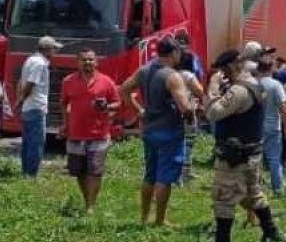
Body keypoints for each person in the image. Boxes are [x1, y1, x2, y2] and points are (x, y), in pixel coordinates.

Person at [195, 49, 284, 242]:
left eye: (223, 70)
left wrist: (213, 87)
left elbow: (213, 113)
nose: (222, 74)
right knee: (252, 195)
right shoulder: (253, 84)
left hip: (235, 157)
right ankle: (271, 232)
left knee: (223, 197)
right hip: (250, 154)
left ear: (232, 67)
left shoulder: (239, 91)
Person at [120, 37, 193, 226]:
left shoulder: (144, 70)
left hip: (149, 130)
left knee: (149, 175)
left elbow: (124, 90)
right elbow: (184, 108)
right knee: (164, 178)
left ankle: (144, 217)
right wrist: (193, 110)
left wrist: (139, 111)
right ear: (174, 53)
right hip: (169, 131)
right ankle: (160, 220)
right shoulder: (172, 76)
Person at [60, 49, 120, 213]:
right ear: (77, 62)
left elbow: (117, 103)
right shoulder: (68, 81)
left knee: (95, 170)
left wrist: (107, 106)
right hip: (75, 133)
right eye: (84, 60)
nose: (87, 62)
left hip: (99, 134)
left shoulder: (106, 81)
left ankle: (90, 206)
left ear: (96, 62)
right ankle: (87, 200)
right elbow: (63, 104)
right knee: (79, 171)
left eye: (91, 60)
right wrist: (65, 124)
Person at [16, 35, 60, 177]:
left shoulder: (30, 60)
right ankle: (31, 175)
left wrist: (20, 101)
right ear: (47, 49)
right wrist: (20, 101)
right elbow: (30, 84)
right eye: (54, 49)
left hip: (29, 107)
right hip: (36, 107)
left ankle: (26, 172)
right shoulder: (40, 64)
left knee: (28, 142)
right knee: (36, 143)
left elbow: (20, 82)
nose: (55, 52)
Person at [257, 58, 286, 198]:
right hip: (273, 127)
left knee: (256, 159)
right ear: (270, 68)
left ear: (259, 68)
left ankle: (257, 188)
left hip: (257, 128)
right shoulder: (276, 85)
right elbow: (283, 107)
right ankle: (277, 189)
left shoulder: (254, 84)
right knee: (274, 159)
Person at [176, 51, 207, 183]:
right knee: (188, 143)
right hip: (188, 111)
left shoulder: (173, 75)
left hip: (176, 112)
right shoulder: (188, 75)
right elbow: (200, 91)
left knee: (179, 142)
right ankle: (184, 173)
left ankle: (182, 171)